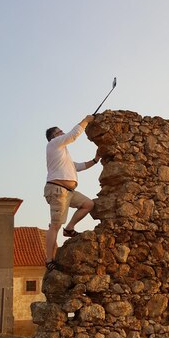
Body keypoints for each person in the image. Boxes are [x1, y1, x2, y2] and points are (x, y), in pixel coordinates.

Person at [44, 115, 99, 271]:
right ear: (53, 137)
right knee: (54, 225)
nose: (62, 133)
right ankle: (49, 260)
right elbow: (72, 135)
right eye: (59, 132)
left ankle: (69, 229)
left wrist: (95, 160)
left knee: (88, 204)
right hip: (57, 190)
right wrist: (86, 120)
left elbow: (79, 166)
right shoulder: (53, 145)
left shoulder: (63, 155)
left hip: (68, 191)